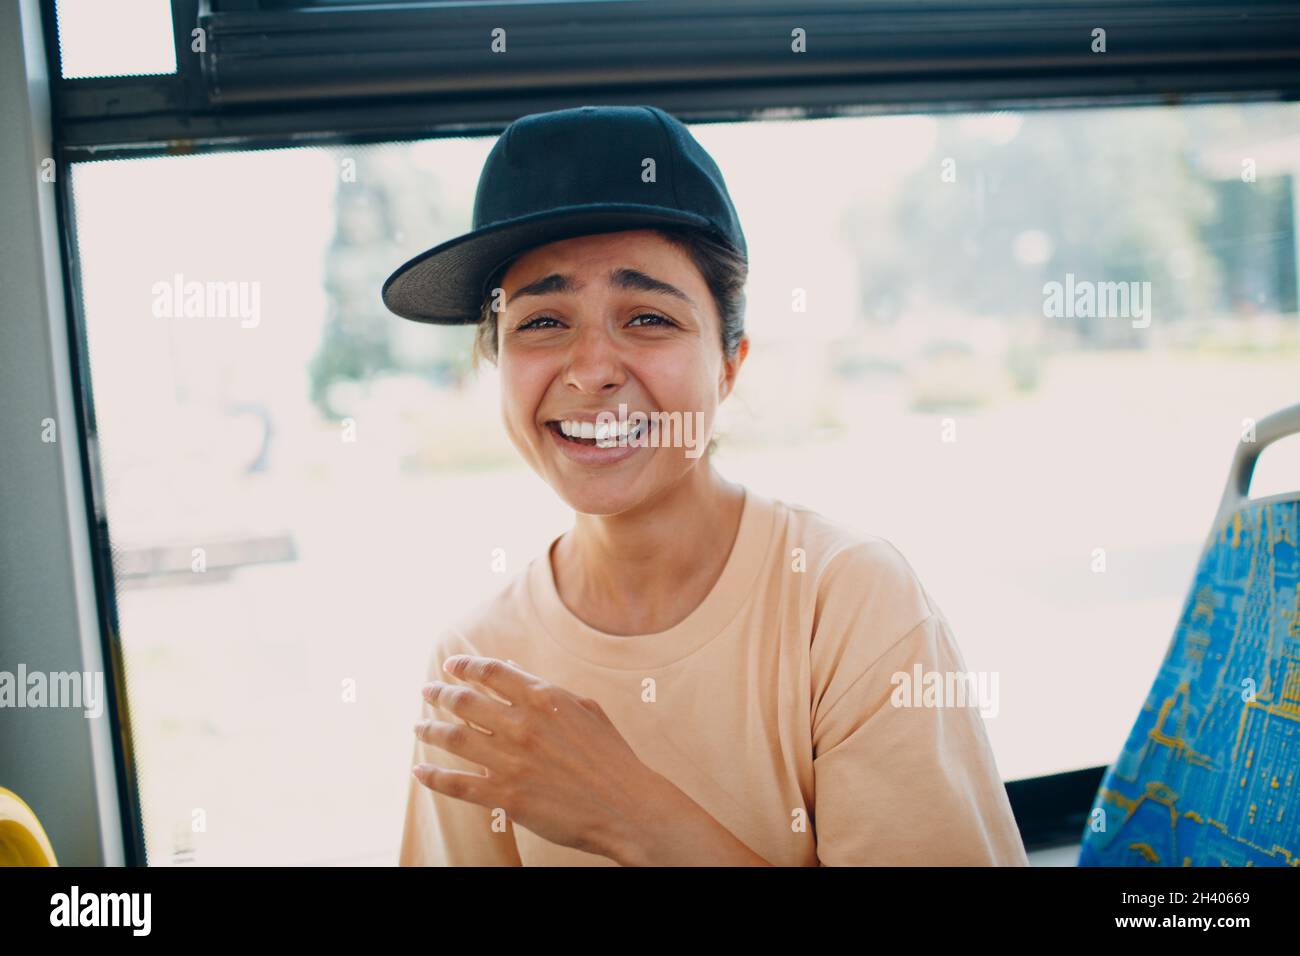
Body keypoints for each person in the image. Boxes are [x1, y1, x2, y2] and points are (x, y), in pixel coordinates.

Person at [384, 105, 1028, 866]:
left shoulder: (847, 601)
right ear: (496, 361)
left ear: (730, 363)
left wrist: (631, 814)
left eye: (649, 317)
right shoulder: (478, 663)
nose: (591, 370)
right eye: (542, 322)